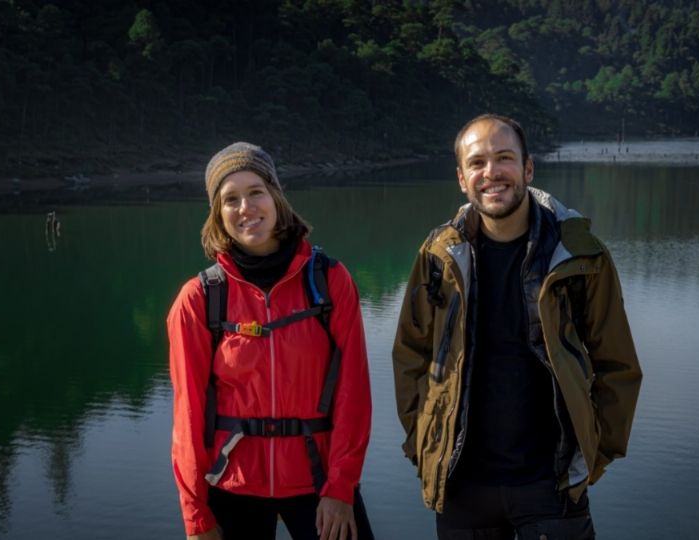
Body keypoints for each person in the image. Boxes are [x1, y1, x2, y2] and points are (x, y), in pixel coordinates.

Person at [392, 114, 642, 539]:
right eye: (477, 163)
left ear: (528, 169)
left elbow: (617, 364)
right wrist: (426, 443)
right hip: (462, 488)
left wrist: (594, 453)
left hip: (551, 488)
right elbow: (411, 357)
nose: (491, 173)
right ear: (461, 178)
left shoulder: (579, 255)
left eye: (504, 158)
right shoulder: (438, 257)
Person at [167, 142, 374, 540]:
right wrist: (195, 514)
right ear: (218, 213)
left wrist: (341, 486)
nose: (245, 207)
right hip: (232, 486)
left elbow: (354, 392)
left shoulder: (330, 281)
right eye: (230, 199)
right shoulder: (198, 299)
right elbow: (187, 416)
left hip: (319, 482)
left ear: (276, 198)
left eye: (256, 192)